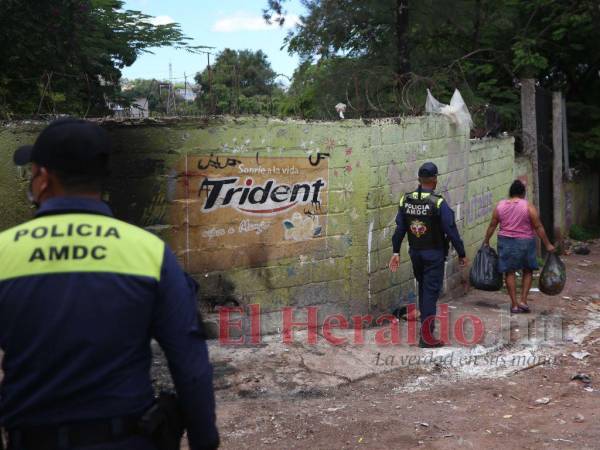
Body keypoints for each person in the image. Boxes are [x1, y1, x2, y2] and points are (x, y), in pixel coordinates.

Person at [0, 118, 219, 450]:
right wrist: (205, 441)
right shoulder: (148, 252)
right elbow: (190, 363)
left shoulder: (5, 253)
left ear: (43, 178)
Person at [388, 162, 467, 348]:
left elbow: (400, 229)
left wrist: (395, 251)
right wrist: (461, 253)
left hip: (415, 253)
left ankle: (426, 328)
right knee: (430, 293)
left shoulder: (405, 200)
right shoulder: (438, 202)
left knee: (424, 290)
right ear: (435, 180)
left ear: (419, 179)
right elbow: (450, 229)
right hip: (434, 254)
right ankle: (426, 337)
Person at [483, 179, 555, 314]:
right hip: (525, 242)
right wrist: (547, 244)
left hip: (505, 242)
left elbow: (492, 225)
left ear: (510, 193)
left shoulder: (500, 206)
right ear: (523, 193)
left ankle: (514, 305)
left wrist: (486, 241)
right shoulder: (528, 206)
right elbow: (538, 226)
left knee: (509, 272)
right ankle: (523, 301)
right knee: (527, 270)